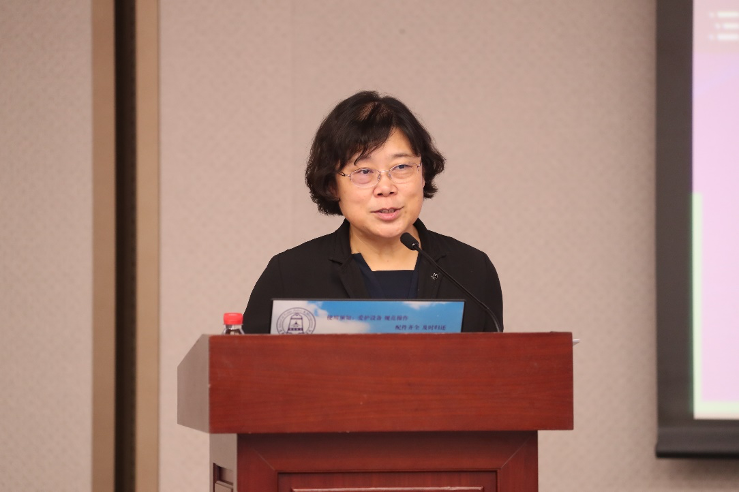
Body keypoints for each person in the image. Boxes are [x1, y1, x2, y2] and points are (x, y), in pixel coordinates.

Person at [242, 91, 503, 333]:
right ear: (332, 185)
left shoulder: (470, 270)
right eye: (364, 171)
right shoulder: (291, 274)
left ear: (423, 173)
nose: (386, 188)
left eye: (401, 167)